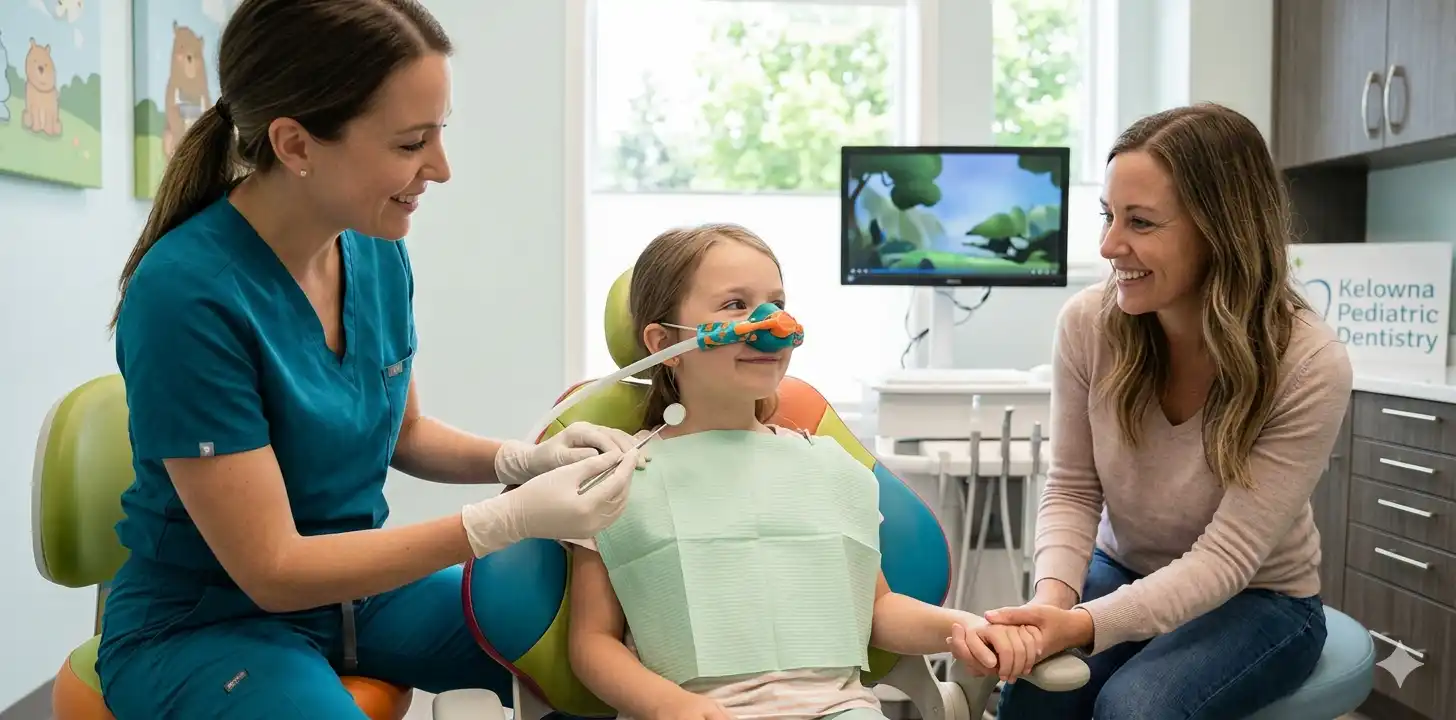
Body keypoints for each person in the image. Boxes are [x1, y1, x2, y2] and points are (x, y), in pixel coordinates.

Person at [95, 1, 642, 717]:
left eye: (440, 133)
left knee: (605, 655)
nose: (440, 168)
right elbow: (273, 570)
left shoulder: (376, 249)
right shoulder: (187, 297)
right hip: (207, 622)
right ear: (295, 145)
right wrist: (499, 523)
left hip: (355, 597)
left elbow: (403, 432)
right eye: (411, 142)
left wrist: (524, 460)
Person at [563, 223, 1044, 720]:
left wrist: (963, 627)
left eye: (777, 303)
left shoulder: (828, 465)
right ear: (663, 341)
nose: (771, 323)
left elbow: (877, 611)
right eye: (735, 305)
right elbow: (592, 642)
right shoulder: (618, 479)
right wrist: (670, 706)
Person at [987, 103, 1354, 720]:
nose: (1109, 245)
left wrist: (1078, 626)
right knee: (1033, 700)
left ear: (1222, 230)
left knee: (1136, 710)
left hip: (1260, 597)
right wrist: (1051, 609)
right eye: (1107, 216)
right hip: (1122, 566)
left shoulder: (1309, 362)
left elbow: (1227, 560)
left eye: (1141, 222)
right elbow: (1074, 489)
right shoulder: (1088, 326)